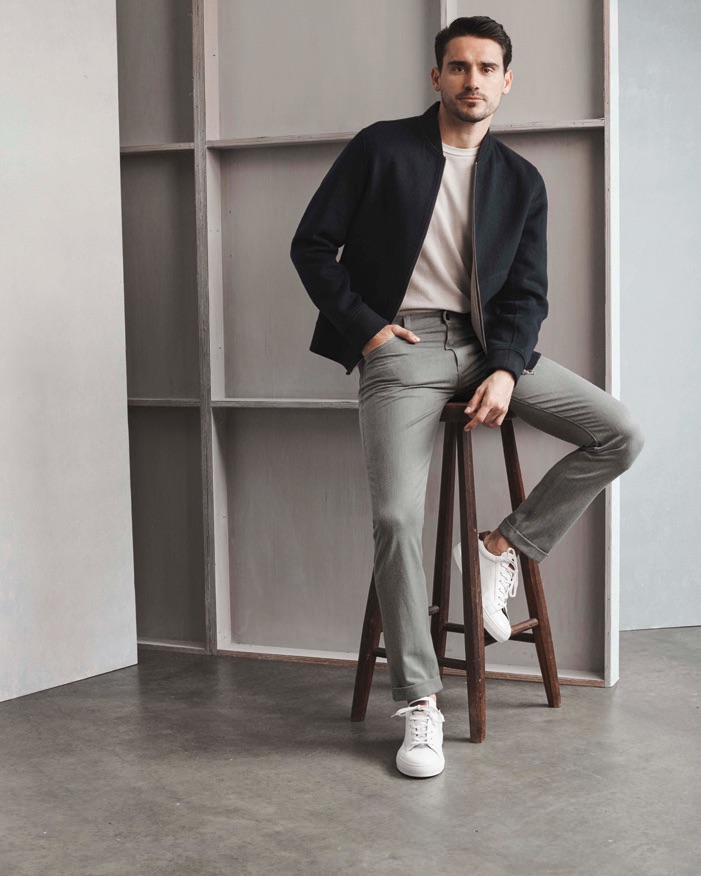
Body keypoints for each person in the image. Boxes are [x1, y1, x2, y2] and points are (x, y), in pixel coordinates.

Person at [289, 15, 644, 779]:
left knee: (618, 433)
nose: (472, 80)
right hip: (403, 345)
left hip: (488, 349)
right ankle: (420, 702)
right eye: (458, 67)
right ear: (436, 77)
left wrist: (507, 369)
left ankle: (500, 548)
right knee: (394, 518)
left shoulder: (520, 180)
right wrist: (366, 330)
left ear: (505, 81)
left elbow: (525, 293)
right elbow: (311, 246)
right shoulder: (381, 148)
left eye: (486, 68)